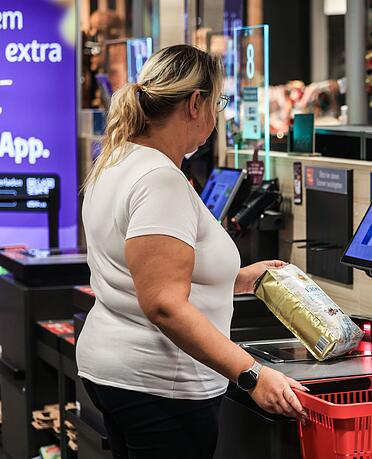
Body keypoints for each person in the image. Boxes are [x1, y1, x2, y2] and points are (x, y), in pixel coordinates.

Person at [76, 44, 305, 459]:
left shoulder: (119, 159)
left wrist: (234, 279)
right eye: (217, 102)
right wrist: (252, 375)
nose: (217, 115)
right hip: (161, 383)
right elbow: (163, 303)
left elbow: (140, 270)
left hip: (117, 370)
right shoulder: (160, 179)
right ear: (196, 103)